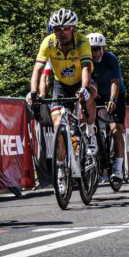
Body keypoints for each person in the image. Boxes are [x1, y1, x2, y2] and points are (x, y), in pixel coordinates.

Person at [27, 8, 98, 156]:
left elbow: (86, 67)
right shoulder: (48, 43)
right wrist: (33, 92)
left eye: (66, 28)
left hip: (81, 81)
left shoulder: (82, 41)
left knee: (90, 94)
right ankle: (60, 167)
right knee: (57, 125)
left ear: (73, 29)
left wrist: (84, 88)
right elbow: (38, 70)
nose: (62, 32)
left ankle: (91, 133)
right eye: (57, 29)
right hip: (61, 85)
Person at [86, 32, 127, 181]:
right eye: (92, 49)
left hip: (115, 93)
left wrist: (112, 99)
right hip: (97, 94)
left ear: (103, 48)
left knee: (116, 130)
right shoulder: (86, 60)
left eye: (97, 49)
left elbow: (115, 82)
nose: (95, 53)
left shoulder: (111, 59)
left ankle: (118, 166)